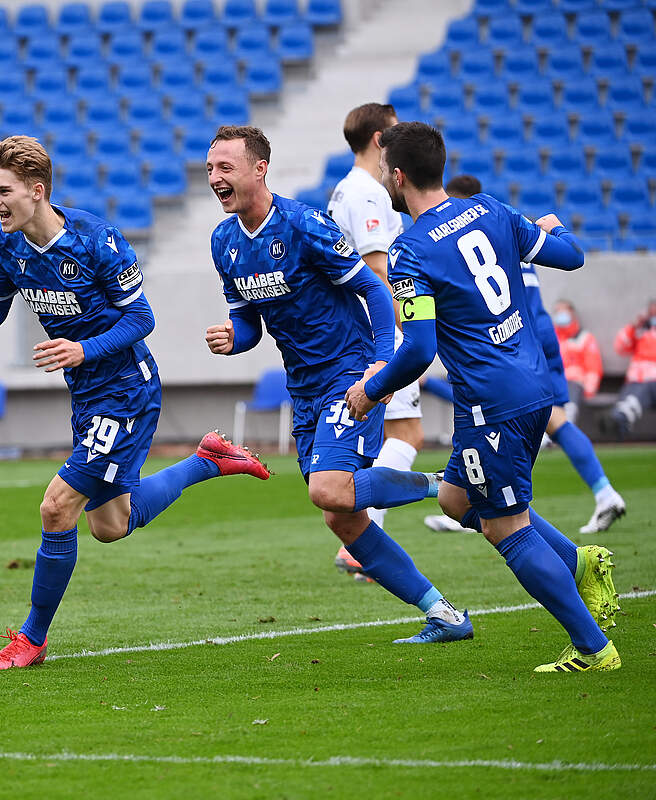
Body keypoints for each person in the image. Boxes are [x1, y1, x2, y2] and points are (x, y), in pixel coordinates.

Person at [0, 135, 271, 670]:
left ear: (37, 190)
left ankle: (31, 638)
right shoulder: (9, 248)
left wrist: (80, 348)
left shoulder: (97, 239)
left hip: (127, 391)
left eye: (2, 191)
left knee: (57, 508)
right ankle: (204, 462)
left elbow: (142, 319)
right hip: (87, 395)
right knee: (110, 526)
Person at [345, 122, 621, 672]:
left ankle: (593, 648)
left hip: (490, 403)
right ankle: (580, 563)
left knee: (504, 526)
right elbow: (571, 256)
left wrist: (372, 390)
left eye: (385, 175)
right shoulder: (491, 210)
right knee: (456, 499)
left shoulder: (411, 251)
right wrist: (555, 225)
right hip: (535, 384)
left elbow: (420, 347)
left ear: (398, 177)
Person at [204, 125, 472, 645]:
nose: (214, 178)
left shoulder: (305, 226)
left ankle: (449, 486)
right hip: (302, 387)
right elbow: (248, 325)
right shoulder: (225, 242)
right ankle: (443, 613)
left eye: (225, 168)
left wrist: (378, 365)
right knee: (341, 518)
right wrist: (230, 339)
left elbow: (373, 289)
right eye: (210, 169)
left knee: (327, 489)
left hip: (348, 373)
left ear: (259, 168)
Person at [444, 175, 625, 534]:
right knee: (544, 421)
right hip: (532, 333)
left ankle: (601, 494)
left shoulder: (467, 236)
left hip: (520, 339)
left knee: (552, 420)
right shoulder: (501, 228)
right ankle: (489, 499)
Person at [327, 103, 462, 559]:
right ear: (379, 139)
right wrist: (405, 339)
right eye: (394, 129)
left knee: (394, 437)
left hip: (356, 332)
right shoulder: (368, 194)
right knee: (407, 437)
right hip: (380, 333)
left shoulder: (344, 191)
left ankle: (359, 533)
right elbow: (376, 268)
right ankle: (360, 539)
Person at [552, 299, 602, 424]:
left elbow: (593, 366)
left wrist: (589, 389)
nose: (561, 313)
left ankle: (566, 425)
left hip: (574, 383)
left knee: (569, 401)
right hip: (552, 382)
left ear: (572, 313)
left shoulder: (584, 337)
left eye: (564, 310)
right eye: (558, 311)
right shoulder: (550, 337)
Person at [611, 299, 656, 439]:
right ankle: (622, 417)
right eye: (652, 313)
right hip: (635, 381)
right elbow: (620, 347)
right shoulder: (641, 331)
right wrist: (634, 327)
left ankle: (628, 410)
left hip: (652, 383)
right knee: (629, 397)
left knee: (643, 389)